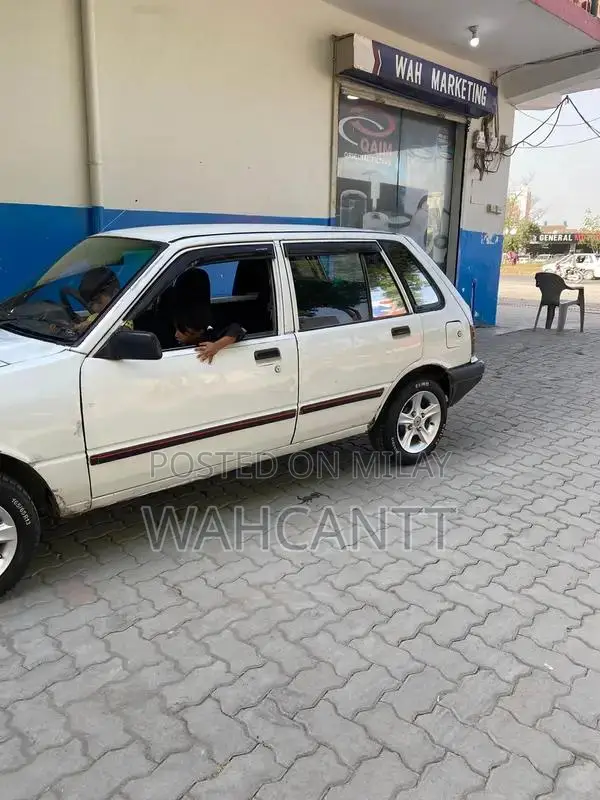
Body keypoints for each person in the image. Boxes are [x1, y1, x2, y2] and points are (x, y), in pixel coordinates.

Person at [75, 266, 133, 332]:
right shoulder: (96, 315)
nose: (94, 308)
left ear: (115, 293)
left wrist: (93, 327)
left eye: (98, 300)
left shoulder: (123, 316)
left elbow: (123, 330)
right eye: (91, 304)